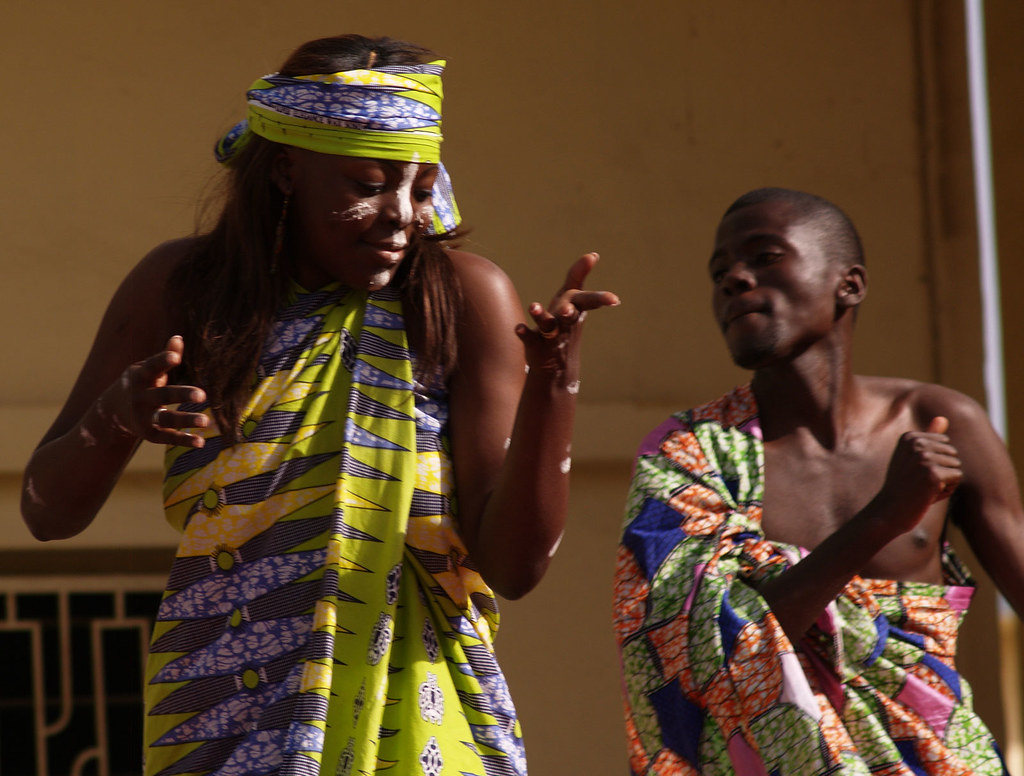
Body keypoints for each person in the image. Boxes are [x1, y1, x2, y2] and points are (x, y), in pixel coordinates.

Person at [21, 34, 618, 776]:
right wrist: (116, 418)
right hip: (225, 709)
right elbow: (47, 512)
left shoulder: (462, 296)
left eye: (421, 188)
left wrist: (556, 383)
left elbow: (514, 566)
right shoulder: (181, 285)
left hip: (421, 713)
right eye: (367, 184)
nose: (401, 216)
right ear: (284, 172)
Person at [613, 187, 1024, 775]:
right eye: (719, 271)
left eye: (765, 256)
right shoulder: (689, 455)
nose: (734, 278)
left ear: (848, 284)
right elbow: (697, 650)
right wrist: (886, 516)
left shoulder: (940, 420)